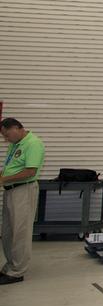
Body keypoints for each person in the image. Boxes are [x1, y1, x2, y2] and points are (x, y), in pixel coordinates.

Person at [1, 118, 46, 285]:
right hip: (10, 190)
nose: (6, 139)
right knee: (8, 232)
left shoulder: (33, 143)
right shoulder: (15, 144)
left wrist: (3, 178)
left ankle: (18, 271)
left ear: (15, 128)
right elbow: (12, 166)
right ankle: (10, 265)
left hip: (23, 190)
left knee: (20, 232)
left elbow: (29, 171)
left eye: (6, 135)